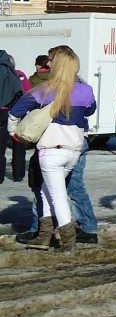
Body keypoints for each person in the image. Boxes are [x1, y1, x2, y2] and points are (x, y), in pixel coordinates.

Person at [9, 46, 96, 252]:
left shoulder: (44, 90)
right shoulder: (86, 90)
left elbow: (15, 111)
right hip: (74, 151)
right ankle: (44, 237)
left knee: (57, 196)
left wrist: (15, 132)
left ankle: (68, 242)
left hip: (51, 151)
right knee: (46, 190)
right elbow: (90, 110)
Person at [0, 50, 28, 183]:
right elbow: (25, 92)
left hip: (2, 112)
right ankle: (18, 174)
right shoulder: (19, 75)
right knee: (18, 144)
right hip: (15, 112)